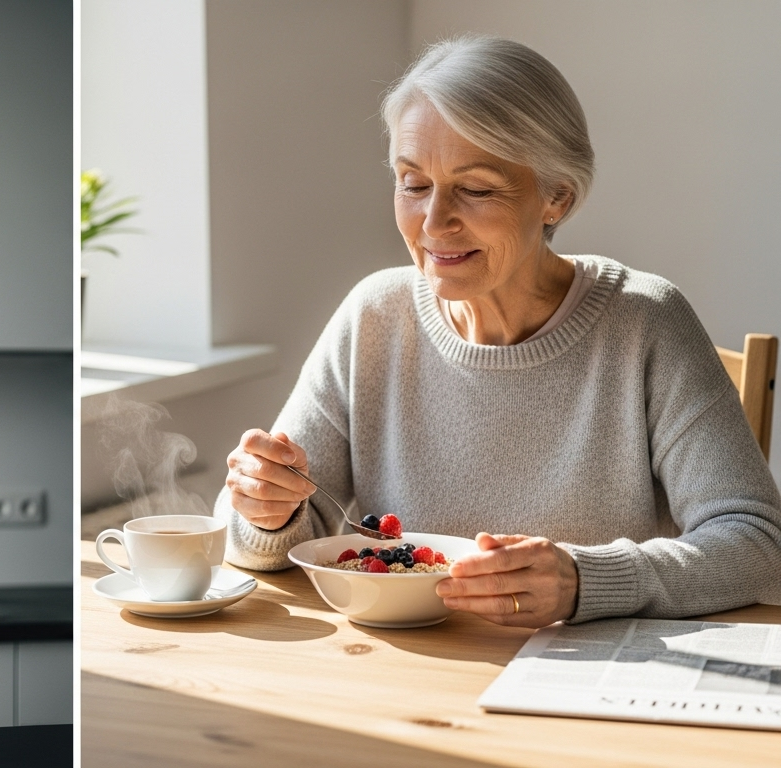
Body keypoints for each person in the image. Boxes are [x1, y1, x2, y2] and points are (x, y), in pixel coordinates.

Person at [215, 36, 781, 629]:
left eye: (477, 188)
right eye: (413, 183)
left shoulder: (647, 322)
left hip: (581, 682)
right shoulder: (375, 316)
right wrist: (266, 513)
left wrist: (586, 580)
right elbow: (255, 544)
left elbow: (758, 547)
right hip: (403, 679)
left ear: (556, 197)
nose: (434, 222)